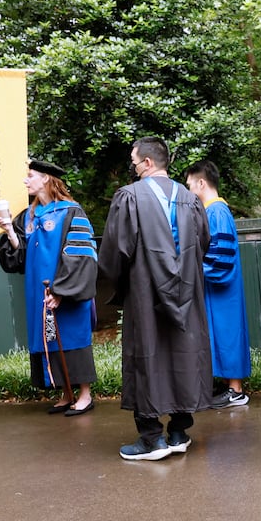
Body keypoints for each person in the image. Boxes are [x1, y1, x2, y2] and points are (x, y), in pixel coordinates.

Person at [97, 136, 212, 461]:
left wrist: (127, 284)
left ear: (147, 163)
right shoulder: (190, 200)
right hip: (188, 296)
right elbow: (202, 245)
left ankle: (151, 439)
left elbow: (114, 255)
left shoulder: (129, 198)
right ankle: (178, 431)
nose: (133, 169)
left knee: (148, 355)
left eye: (134, 163)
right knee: (183, 354)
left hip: (145, 295)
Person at [0, 159, 99, 416]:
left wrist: (61, 292)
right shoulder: (28, 216)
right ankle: (66, 393)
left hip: (66, 292)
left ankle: (85, 394)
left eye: (30, 175)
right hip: (38, 293)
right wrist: (9, 230)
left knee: (72, 337)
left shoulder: (71, 212)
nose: (25, 180)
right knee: (49, 338)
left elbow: (81, 256)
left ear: (46, 179)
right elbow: (19, 256)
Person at [186, 160, 252, 409]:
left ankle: (236, 390)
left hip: (221, 287)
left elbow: (219, 256)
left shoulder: (216, 212)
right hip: (215, 286)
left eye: (190, 184)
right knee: (219, 335)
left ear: (201, 183)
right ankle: (227, 385)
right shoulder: (211, 211)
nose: (189, 189)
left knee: (227, 334)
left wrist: (195, 271)